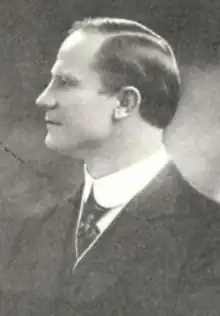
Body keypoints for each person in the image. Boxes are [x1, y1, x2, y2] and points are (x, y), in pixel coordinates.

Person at [1, 17, 220, 316]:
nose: (43, 99)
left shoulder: (209, 239)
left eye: (65, 83)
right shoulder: (30, 232)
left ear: (126, 102)